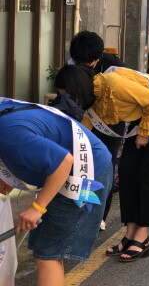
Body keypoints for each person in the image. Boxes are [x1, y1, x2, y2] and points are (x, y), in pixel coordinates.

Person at [55, 65, 149, 263]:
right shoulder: (92, 96)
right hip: (142, 114)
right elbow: (88, 124)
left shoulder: (112, 84)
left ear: (76, 88)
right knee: (127, 171)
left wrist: (144, 133)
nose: (67, 100)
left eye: (67, 94)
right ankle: (130, 233)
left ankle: (142, 236)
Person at [0, 97, 112, 286]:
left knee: (48, 254)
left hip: (83, 174)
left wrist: (37, 207)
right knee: (43, 247)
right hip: (64, 171)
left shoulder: (8, 134)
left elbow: (63, 162)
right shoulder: (4, 112)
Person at [64, 30, 125, 230]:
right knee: (80, 167)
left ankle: (99, 219)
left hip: (109, 125)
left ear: (97, 58)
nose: (83, 67)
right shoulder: (71, 64)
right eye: (78, 62)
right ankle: (78, 211)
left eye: (88, 64)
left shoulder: (115, 67)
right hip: (82, 122)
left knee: (104, 168)